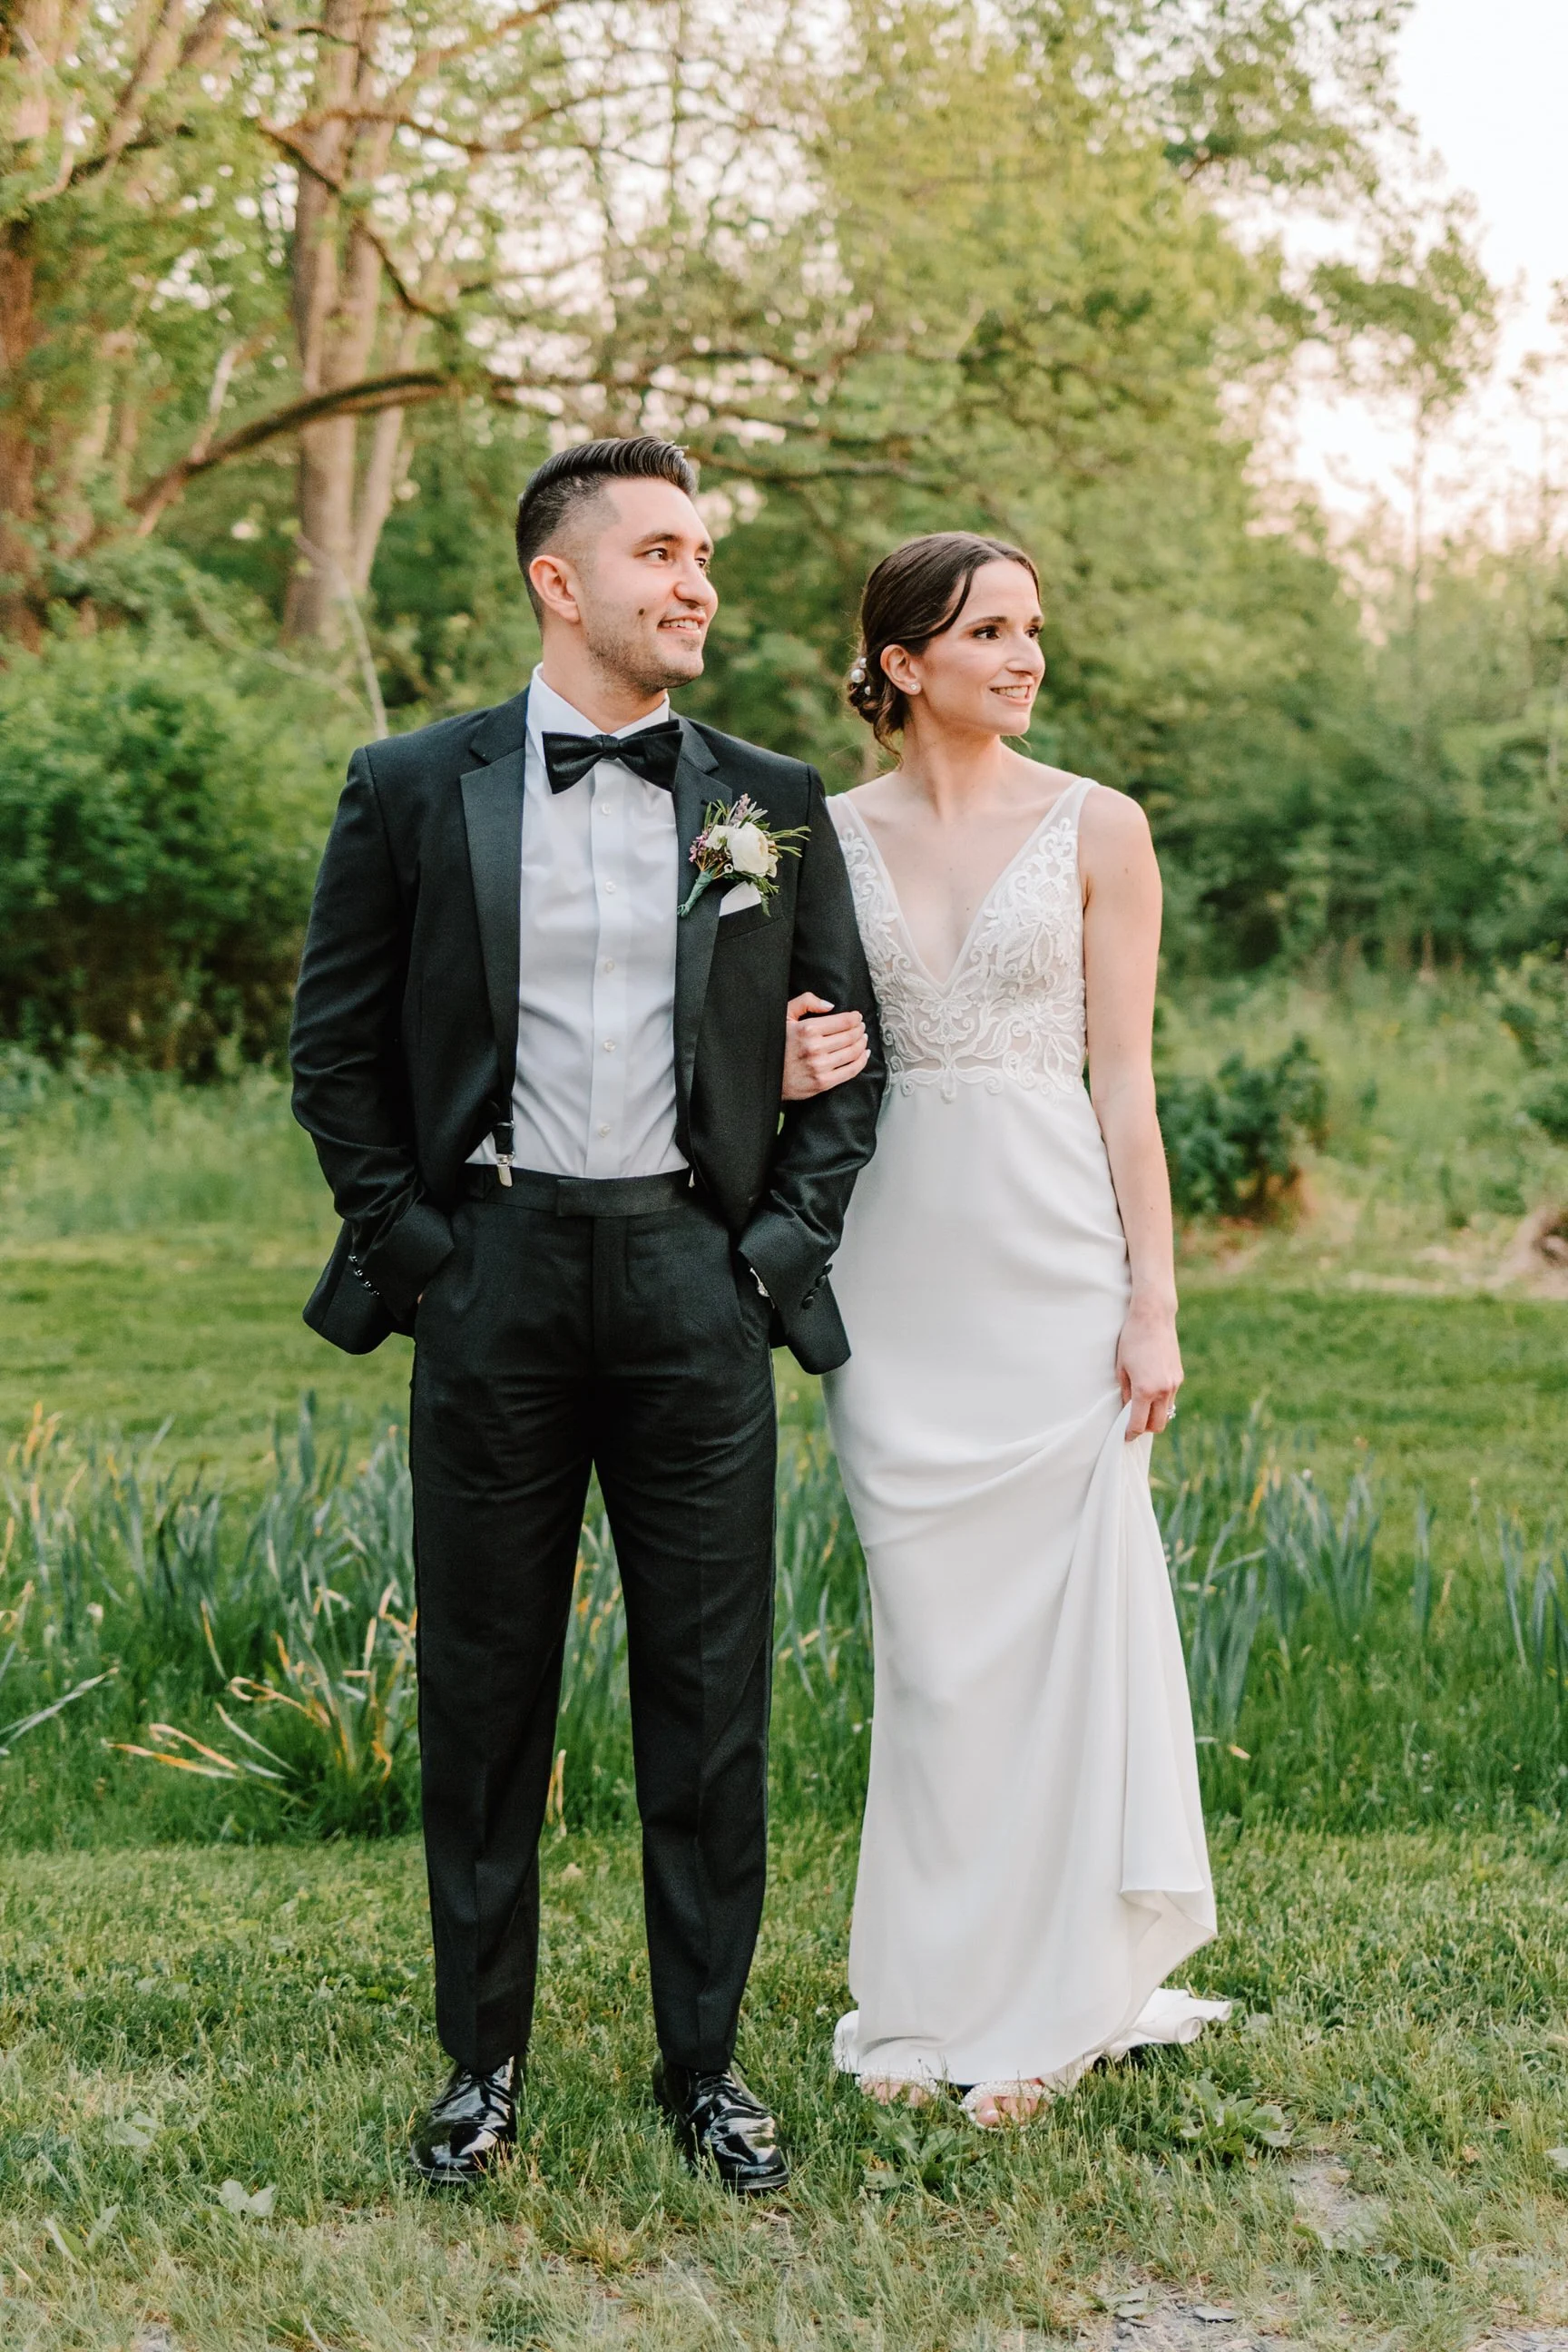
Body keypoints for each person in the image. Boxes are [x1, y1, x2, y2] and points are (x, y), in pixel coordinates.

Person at [289, 436, 883, 2190]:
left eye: (704, 554)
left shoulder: (765, 797)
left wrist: (773, 1253)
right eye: (662, 553)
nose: (697, 583)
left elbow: (845, 1058)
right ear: (562, 582)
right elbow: (333, 1053)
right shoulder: (411, 786)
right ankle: (482, 2069)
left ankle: (705, 2070)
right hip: (498, 1283)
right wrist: (419, 1252)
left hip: (699, 1287)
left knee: (710, 1697)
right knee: (484, 1693)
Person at [798, 532, 1228, 2126]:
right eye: (988, 631)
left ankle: (1052, 2005)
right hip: (895, 1272)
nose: (1024, 655)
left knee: (1057, 1637)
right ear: (904, 664)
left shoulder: (1100, 826)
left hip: (1055, 1263)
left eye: (1034, 628)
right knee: (932, 1653)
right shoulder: (813, 838)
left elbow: (1129, 1082)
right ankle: (923, 1996)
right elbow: (774, 1047)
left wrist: (1153, 1299)